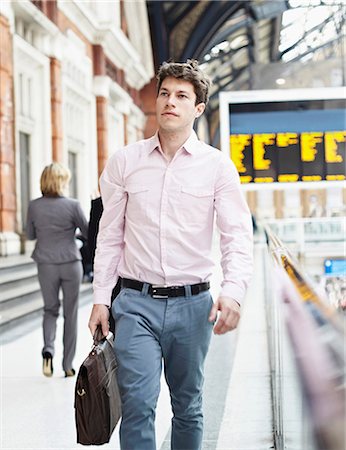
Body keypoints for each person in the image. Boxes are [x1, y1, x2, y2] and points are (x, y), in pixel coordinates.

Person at [88, 60, 253, 450]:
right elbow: (109, 237)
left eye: (181, 96)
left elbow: (236, 236)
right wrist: (100, 298)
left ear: (197, 108)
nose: (170, 102)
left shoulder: (217, 167)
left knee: (188, 407)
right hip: (135, 304)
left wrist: (234, 291)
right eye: (164, 93)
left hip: (193, 306)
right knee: (138, 405)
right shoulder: (125, 163)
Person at [26, 163, 88, 378]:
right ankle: (68, 365)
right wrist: (74, 236)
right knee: (70, 314)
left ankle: (48, 351)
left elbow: (30, 234)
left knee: (50, 310)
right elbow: (89, 232)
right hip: (71, 262)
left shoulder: (34, 206)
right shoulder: (73, 205)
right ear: (62, 181)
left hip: (45, 264)